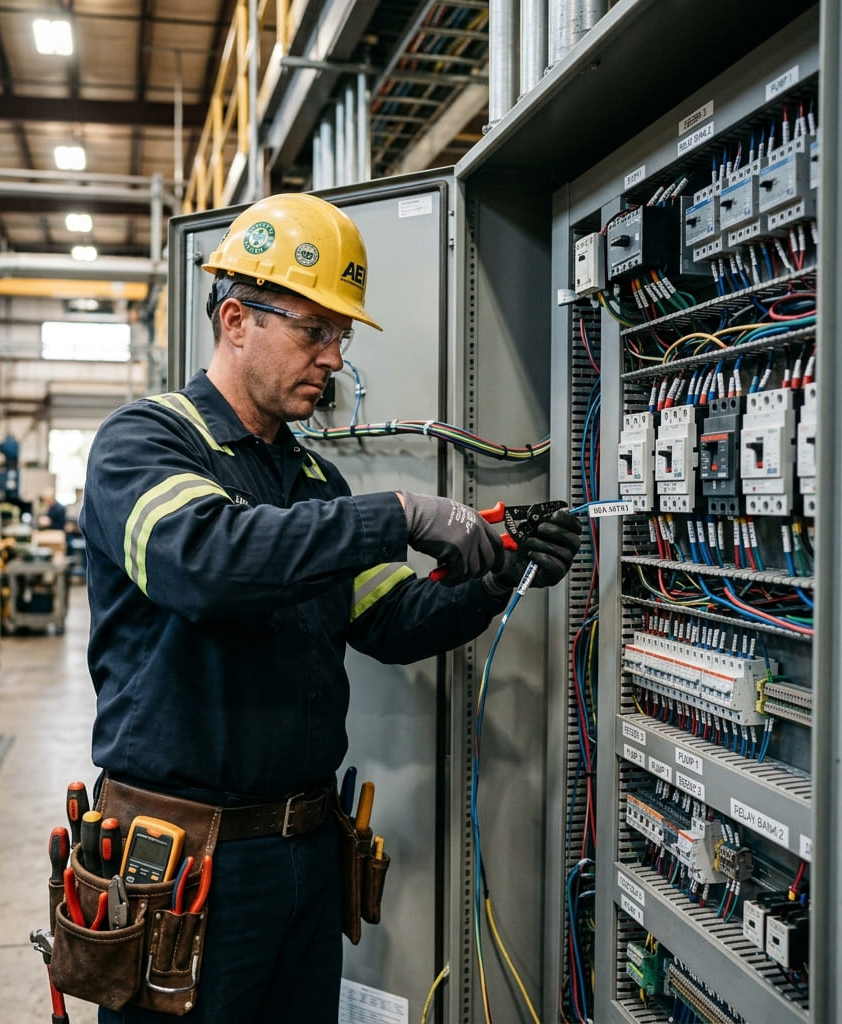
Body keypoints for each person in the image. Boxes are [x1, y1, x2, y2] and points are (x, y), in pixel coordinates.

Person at [79, 192, 581, 1024]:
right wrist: (401, 513)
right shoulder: (144, 444)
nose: (335, 359)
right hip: (184, 870)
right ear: (236, 320)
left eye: (341, 337)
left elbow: (389, 622)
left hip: (306, 853)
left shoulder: (313, 480)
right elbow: (203, 564)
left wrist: (496, 578)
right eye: (315, 332)